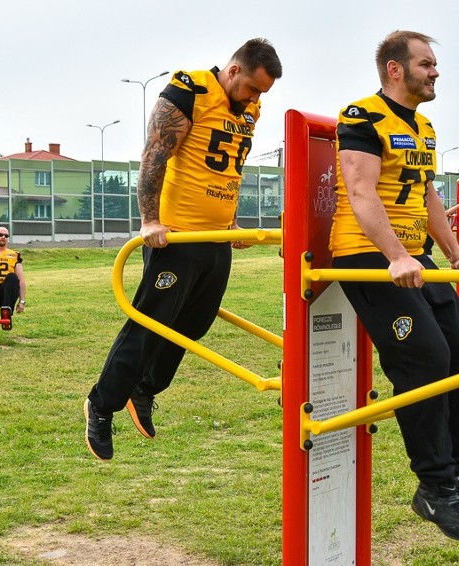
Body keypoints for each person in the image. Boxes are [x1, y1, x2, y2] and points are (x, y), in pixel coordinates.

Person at [330, 30, 459, 543]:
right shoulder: (361, 116)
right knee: (425, 359)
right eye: (426, 64)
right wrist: (396, 255)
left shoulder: (424, 126)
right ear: (395, 69)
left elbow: (427, 196)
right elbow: (361, 193)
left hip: (416, 257)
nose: (435, 72)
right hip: (368, 256)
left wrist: (455, 255)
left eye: (434, 65)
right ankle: (434, 488)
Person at [84, 38, 283, 461]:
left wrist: (230, 222)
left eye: (262, 93)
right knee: (150, 324)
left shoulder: (250, 109)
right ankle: (101, 405)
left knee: (194, 325)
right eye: (252, 88)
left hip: (215, 238)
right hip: (177, 237)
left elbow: (230, 165)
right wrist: (150, 220)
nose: (255, 98)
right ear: (233, 72)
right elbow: (154, 155)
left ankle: (146, 388)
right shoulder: (188, 91)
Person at [0, 226, 26, 328]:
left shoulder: (14, 255)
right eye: (0, 235)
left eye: (6, 235)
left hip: (4, 292)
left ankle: (6, 311)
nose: (3, 237)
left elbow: (21, 280)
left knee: (12, 277)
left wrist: (22, 301)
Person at [422, 187, 459, 258]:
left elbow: (444, 213)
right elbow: (444, 213)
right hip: (424, 253)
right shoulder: (426, 212)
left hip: (426, 252)